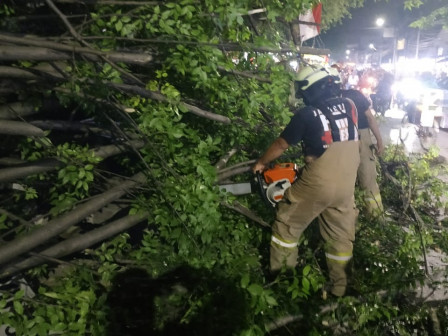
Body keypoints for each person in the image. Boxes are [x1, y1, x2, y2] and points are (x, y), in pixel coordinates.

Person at [252, 65, 360, 297]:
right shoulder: (350, 106)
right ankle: (339, 289)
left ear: (310, 89)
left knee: (286, 224)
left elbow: (281, 145)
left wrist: (261, 163)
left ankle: (283, 282)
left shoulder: (307, 114)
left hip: (319, 184)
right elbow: (339, 140)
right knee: (340, 238)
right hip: (347, 184)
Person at [339, 76, 385, 217]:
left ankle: (351, 216)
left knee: (344, 179)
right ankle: (374, 215)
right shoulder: (355, 95)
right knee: (368, 178)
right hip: (362, 136)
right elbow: (370, 118)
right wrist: (379, 141)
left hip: (341, 139)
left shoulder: (327, 101)